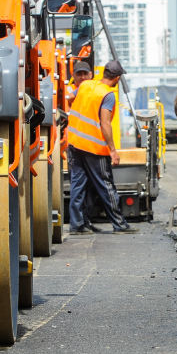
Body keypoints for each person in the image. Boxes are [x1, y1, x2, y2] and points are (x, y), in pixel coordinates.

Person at [67, 60, 135, 235]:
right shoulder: (108, 94)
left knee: (78, 185)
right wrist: (112, 150)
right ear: (117, 78)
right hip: (94, 146)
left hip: (74, 143)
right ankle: (119, 224)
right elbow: (105, 123)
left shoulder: (86, 85)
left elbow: (69, 97)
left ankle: (78, 225)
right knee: (106, 185)